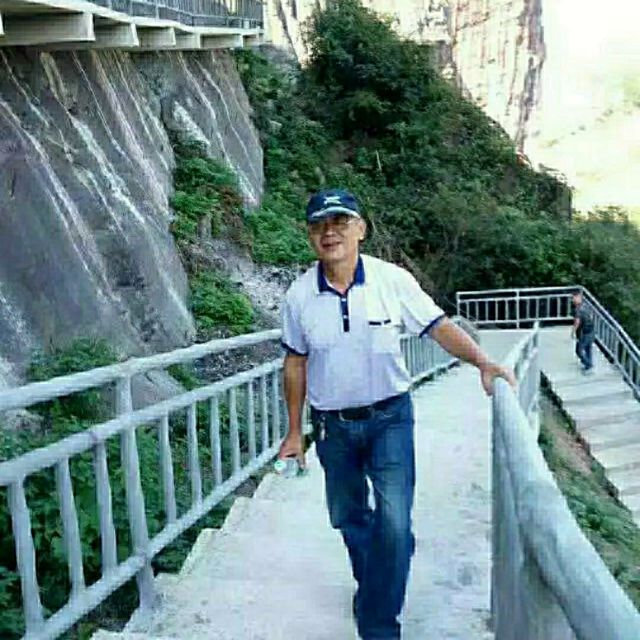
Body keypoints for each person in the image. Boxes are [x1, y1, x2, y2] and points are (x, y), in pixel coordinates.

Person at [278, 189, 514, 640]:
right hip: (331, 428)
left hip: (390, 418)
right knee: (348, 517)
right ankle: (376, 587)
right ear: (309, 236)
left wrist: (483, 362)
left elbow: (438, 327)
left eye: (340, 222)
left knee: (395, 526)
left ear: (360, 229)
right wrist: (294, 433)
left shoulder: (392, 281)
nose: (330, 232)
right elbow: (295, 363)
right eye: (319, 225)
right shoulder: (299, 296)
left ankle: (378, 625)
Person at [571, 290, 595, 373]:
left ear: (578, 297)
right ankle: (588, 365)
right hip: (591, 330)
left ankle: (588, 364)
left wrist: (573, 331)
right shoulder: (586, 305)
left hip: (584, 332)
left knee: (579, 351)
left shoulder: (578, 309)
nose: (572, 300)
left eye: (574, 298)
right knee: (588, 349)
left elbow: (577, 321)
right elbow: (591, 316)